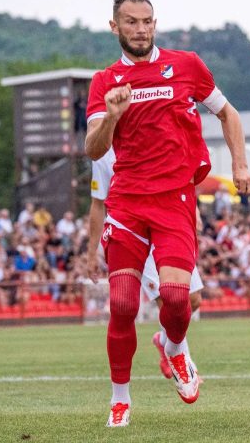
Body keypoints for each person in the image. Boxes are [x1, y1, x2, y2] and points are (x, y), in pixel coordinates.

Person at [85, 0, 250, 428]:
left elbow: (228, 113)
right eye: (130, 22)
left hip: (175, 200)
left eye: (146, 21)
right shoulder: (105, 81)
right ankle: (120, 399)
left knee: (180, 299)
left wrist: (239, 163)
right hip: (126, 201)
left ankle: (175, 348)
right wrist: (111, 117)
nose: (140, 29)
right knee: (122, 304)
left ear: (154, 23)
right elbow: (93, 149)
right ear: (114, 27)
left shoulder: (185, 65)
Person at [86, 147, 205, 381]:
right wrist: (92, 253)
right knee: (168, 299)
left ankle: (163, 340)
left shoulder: (150, 131)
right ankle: (185, 368)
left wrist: (194, 209)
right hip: (133, 232)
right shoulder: (103, 151)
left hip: (168, 221)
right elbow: (97, 204)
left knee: (193, 300)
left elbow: (176, 176)